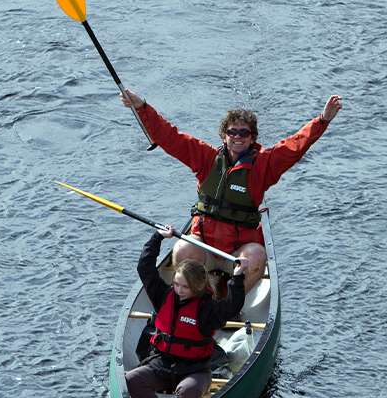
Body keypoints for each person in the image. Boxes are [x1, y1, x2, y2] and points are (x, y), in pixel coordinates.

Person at [121, 90, 342, 291]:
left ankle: (230, 304)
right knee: (182, 249)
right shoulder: (206, 158)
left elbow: (296, 145)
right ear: (224, 136)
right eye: (232, 132)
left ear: (252, 137)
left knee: (257, 256)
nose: (237, 137)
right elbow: (169, 137)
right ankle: (199, 300)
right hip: (206, 247)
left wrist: (322, 121)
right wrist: (142, 107)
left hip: (237, 253)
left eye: (244, 133)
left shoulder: (265, 164)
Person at [125, 225, 248, 398]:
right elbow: (145, 267)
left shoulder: (208, 309)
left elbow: (232, 306)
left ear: (198, 288)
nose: (179, 290)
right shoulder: (164, 296)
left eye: (185, 287)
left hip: (196, 370)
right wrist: (158, 237)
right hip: (162, 364)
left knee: (187, 391)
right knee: (132, 379)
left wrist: (237, 278)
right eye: (176, 284)